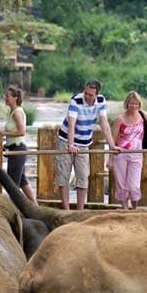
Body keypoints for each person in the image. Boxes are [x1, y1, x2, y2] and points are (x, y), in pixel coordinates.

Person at [56, 80, 112, 210]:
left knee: (83, 176)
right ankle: (66, 210)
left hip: (84, 142)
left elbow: (104, 124)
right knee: (63, 174)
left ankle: (80, 210)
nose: (87, 96)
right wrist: (71, 145)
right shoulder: (76, 100)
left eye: (90, 95)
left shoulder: (101, 101)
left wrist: (112, 145)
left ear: (97, 95)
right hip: (66, 140)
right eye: (85, 93)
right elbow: (71, 125)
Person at [2, 86, 38, 206]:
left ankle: (13, 209)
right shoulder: (12, 112)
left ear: (15, 98)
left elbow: (22, 131)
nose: (5, 98)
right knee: (22, 181)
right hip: (14, 148)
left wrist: (2, 133)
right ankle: (35, 206)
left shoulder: (17, 112)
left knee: (13, 184)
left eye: (7, 96)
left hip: (18, 150)